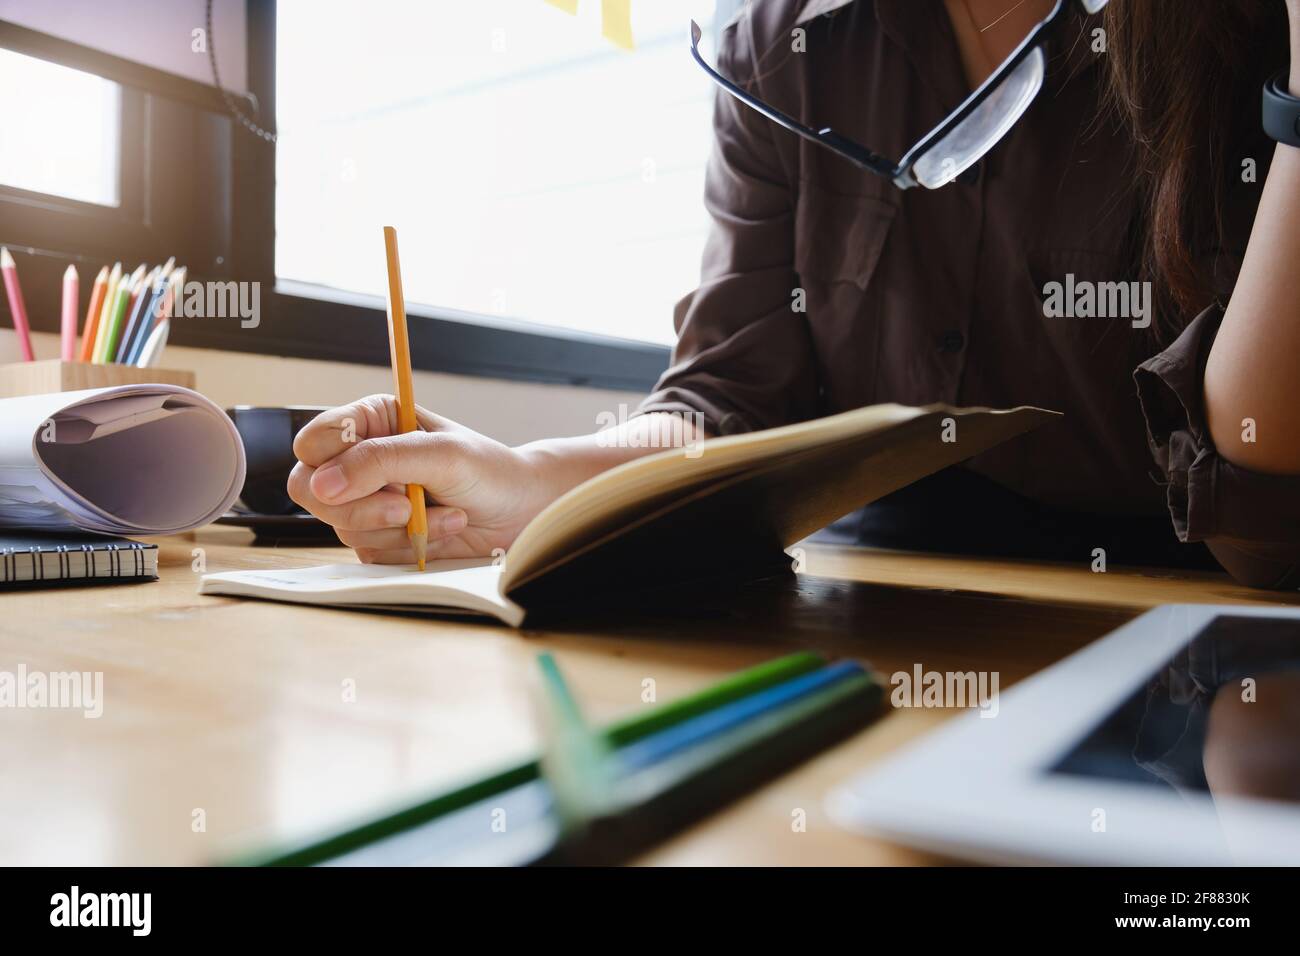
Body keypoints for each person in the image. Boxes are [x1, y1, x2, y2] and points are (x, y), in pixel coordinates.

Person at [289, 0, 1300, 588]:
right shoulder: (779, 45)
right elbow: (724, 403)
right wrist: (524, 481)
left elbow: (1261, 523)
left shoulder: (1242, 36)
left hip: (1179, 612)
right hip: (871, 602)